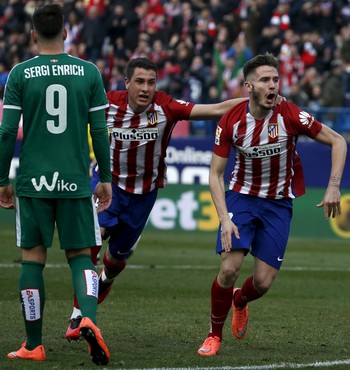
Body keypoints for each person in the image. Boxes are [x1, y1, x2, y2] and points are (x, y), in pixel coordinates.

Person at [65, 56, 257, 340]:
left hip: (144, 196)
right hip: (108, 186)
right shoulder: (106, 104)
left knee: (115, 261)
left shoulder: (166, 107)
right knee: (92, 241)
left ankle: (104, 281)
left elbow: (216, 108)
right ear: (127, 82)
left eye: (151, 82)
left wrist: (253, 101)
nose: (145, 88)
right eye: (139, 82)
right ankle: (78, 317)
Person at [197, 53, 347, 356]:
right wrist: (224, 217)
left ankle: (241, 301)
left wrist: (333, 187)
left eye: (275, 80)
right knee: (230, 268)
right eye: (265, 80)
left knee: (263, 283)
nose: (273, 86)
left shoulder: (290, 114)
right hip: (241, 197)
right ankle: (214, 334)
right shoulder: (232, 120)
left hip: (278, 204)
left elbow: (338, 141)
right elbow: (214, 174)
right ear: (248, 86)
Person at [0, 4, 112, 365]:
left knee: (33, 260)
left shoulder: (19, 74)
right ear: (66, 32)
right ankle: (89, 318)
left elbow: (5, 133)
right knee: (81, 257)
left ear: (33, 34)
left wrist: (2, 180)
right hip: (77, 182)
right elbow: (99, 131)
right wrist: (106, 178)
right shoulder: (88, 72)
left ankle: (34, 344)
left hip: (34, 182)